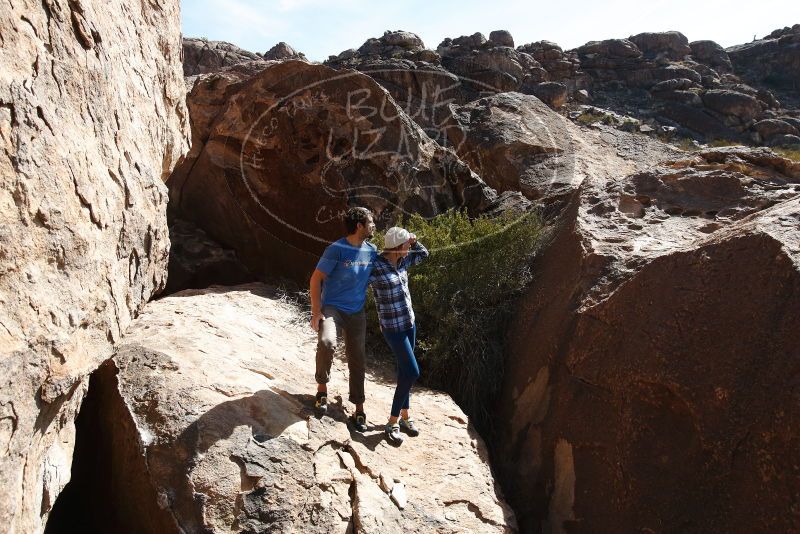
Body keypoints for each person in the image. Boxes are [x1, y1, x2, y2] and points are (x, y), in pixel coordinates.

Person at [310, 207, 377, 432]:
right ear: (359, 226)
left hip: (356, 313)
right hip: (333, 308)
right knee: (327, 342)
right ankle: (321, 390)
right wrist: (316, 312)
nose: (373, 225)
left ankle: (359, 408)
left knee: (357, 357)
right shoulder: (336, 249)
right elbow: (316, 278)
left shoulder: (372, 251)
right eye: (370, 222)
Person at [368, 226, 429, 444]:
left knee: (405, 371)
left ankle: (406, 417)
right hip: (392, 329)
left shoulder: (403, 261)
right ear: (396, 247)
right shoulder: (375, 265)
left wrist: (413, 241)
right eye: (405, 245)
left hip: (409, 324)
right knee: (412, 372)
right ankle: (392, 422)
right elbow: (356, 281)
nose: (408, 248)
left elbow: (424, 254)